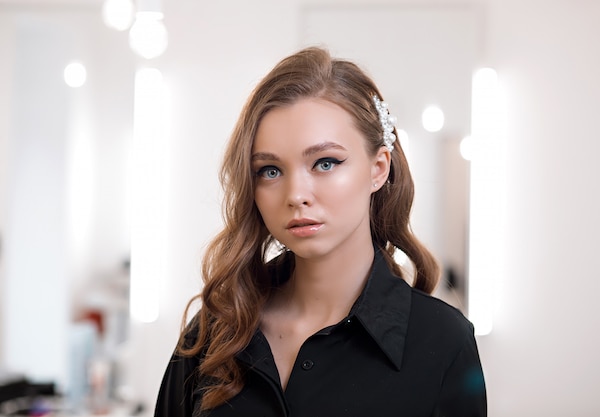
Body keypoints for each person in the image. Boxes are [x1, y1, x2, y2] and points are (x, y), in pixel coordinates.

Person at [154, 46, 487, 417]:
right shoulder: (215, 332)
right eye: (270, 170)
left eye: (325, 163)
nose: (296, 195)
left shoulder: (443, 343)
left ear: (378, 168)